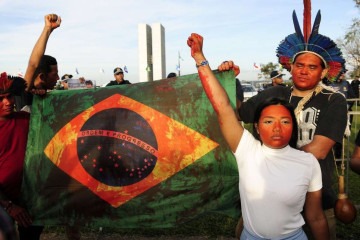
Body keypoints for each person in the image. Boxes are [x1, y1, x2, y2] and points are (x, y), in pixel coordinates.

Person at [218, 5, 348, 240]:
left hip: (314, 196)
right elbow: (237, 113)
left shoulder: (333, 100)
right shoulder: (274, 93)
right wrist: (231, 80)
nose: (304, 71)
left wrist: (263, 160)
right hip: (263, 196)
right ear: (290, 67)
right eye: (300, 65)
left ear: (323, 71)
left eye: (312, 67)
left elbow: (318, 150)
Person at [187, 33, 329, 240]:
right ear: (257, 126)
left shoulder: (308, 162)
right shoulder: (247, 150)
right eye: (269, 121)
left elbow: (316, 217)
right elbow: (223, 108)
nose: (277, 128)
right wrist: (200, 57)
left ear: (293, 127)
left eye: (285, 121)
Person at [0, 73, 43, 239]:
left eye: (10, 97)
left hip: (28, 197)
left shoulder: (25, 119)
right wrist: (8, 205)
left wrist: (42, 96)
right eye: (1, 98)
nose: (8, 102)